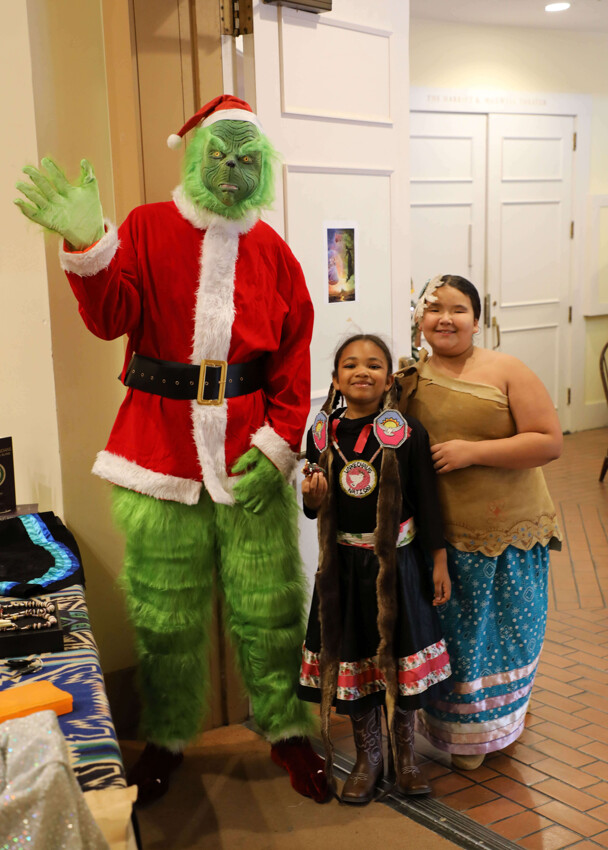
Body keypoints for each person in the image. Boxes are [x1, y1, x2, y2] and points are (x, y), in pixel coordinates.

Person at [14, 94, 328, 805]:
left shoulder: (275, 251)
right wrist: (89, 244)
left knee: (271, 606)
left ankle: (287, 729)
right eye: (219, 155)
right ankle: (167, 736)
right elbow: (112, 319)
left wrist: (279, 446)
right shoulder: (149, 226)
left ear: (264, 166)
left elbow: (293, 357)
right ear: (193, 155)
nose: (231, 169)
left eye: (246, 158)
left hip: (250, 455)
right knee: (165, 613)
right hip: (157, 454)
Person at [396, 275, 562, 770]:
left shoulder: (507, 370)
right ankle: (464, 734)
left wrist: (472, 452)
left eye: (458, 309)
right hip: (443, 537)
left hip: (508, 533)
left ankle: (501, 723)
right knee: (455, 639)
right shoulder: (408, 379)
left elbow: (549, 441)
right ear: (420, 320)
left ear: (477, 319)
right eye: (434, 309)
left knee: (506, 635)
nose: (445, 319)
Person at [298, 334, 452, 804]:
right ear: (335, 379)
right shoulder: (322, 433)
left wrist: (438, 560)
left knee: (400, 663)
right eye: (349, 365)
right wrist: (312, 500)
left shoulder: (406, 432)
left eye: (373, 364)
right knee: (354, 659)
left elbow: (427, 499)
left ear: (389, 380)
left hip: (399, 567)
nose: (361, 371)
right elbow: (314, 507)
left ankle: (405, 757)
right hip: (343, 570)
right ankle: (369, 758)